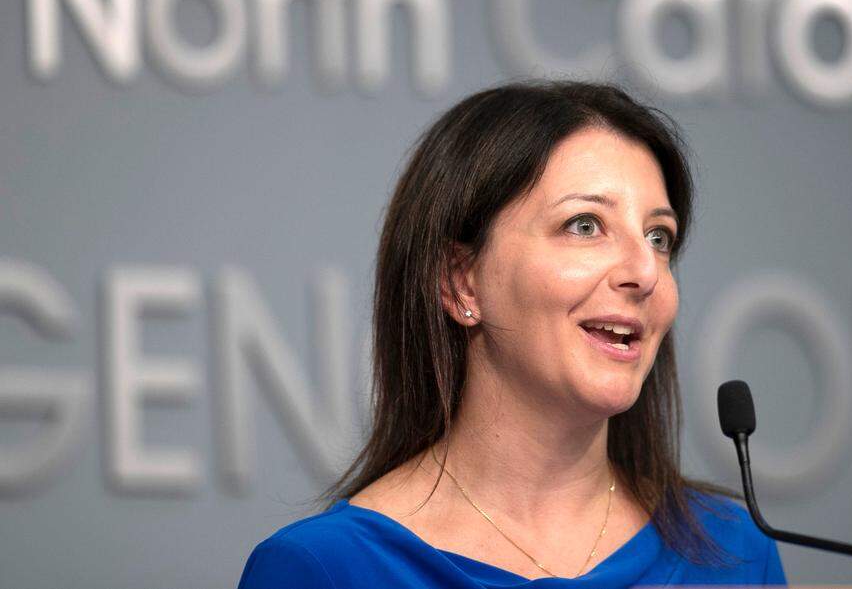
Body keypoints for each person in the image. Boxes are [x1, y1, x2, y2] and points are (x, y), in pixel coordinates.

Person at [237, 81, 786, 587]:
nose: (645, 273)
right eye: (585, 226)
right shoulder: (324, 570)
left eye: (659, 237)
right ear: (461, 283)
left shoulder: (734, 552)